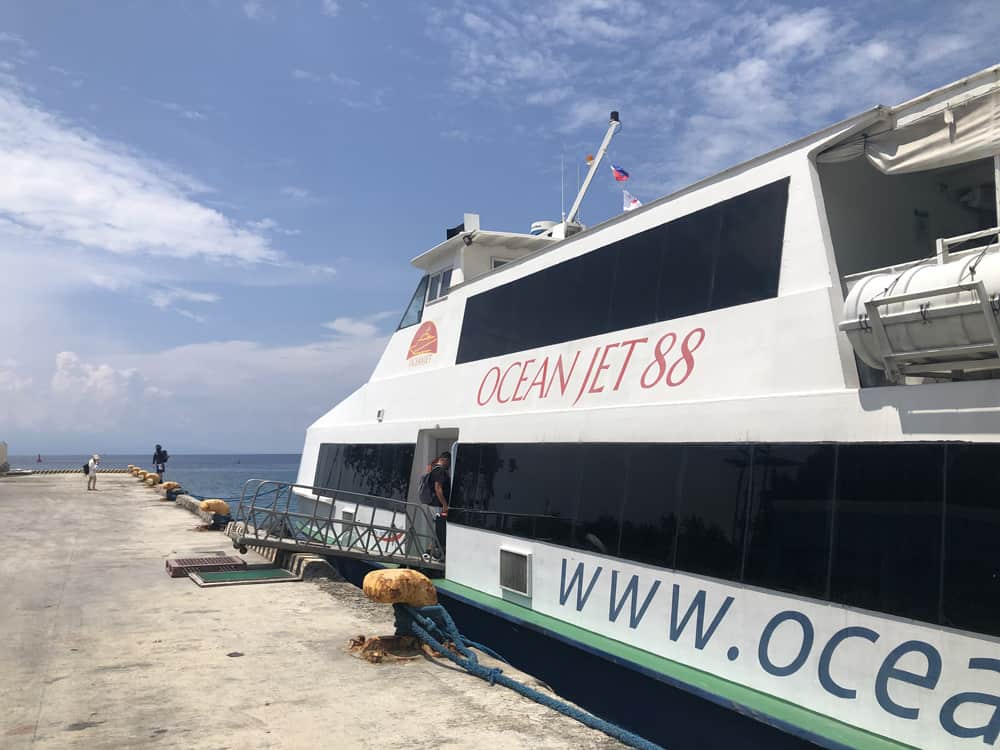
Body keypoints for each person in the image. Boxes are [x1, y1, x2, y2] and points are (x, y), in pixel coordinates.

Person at [421, 452, 451, 561]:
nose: (449, 466)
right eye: (449, 463)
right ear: (445, 460)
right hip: (437, 504)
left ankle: (429, 552)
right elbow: (438, 488)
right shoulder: (440, 471)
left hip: (433, 504)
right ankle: (433, 553)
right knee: (440, 528)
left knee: (437, 528)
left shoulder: (434, 469)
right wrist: (444, 504)